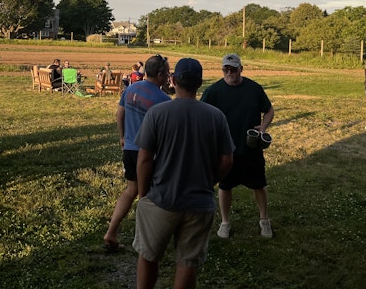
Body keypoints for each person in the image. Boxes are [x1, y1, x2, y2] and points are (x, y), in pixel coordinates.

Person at [133, 58, 234, 289]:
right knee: (188, 262)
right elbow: (227, 160)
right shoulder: (216, 116)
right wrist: (209, 181)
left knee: (148, 256)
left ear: (174, 80)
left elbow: (145, 158)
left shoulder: (158, 113)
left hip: (160, 199)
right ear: (199, 83)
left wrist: (142, 194)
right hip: (199, 202)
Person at [201, 53, 275, 239]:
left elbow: (269, 110)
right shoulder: (213, 91)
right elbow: (201, 115)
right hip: (226, 150)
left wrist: (263, 127)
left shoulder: (254, 89)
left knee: (259, 185)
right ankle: (225, 223)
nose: (229, 72)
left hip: (251, 149)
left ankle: (264, 220)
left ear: (241, 69)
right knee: (225, 187)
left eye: (233, 69)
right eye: (226, 69)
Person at [103, 54, 171, 252]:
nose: (168, 76)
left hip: (130, 149)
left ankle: (111, 232)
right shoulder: (163, 100)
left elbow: (120, 114)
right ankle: (144, 239)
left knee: (131, 190)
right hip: (148, 155)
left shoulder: (131, 89)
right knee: (146, 196)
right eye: (166, 72)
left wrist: (122, 137)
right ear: (159, 74)